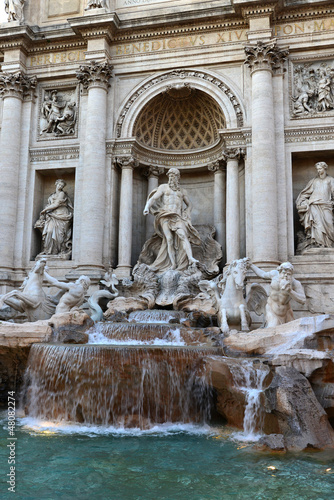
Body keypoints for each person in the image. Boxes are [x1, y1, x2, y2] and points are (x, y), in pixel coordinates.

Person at [143, 168, 201, 272]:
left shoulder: (182, 191)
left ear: (178, 177)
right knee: (169, 239)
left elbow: (189, 204)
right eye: (170, 176)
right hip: (165, 215)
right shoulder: (163, 187)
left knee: (183, 235)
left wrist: (187, 211)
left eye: (173, 176)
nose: (171, 178)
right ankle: (173, 264)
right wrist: (147, 207)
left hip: (177, 217)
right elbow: (153, 199)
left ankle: (190, 258)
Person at [249, 261, 306, 327]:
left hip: (286, 312)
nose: (286, 276)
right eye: (284, 273)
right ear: (280, 271)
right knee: (272, 328)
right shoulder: (274, 274)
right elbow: (262, 274)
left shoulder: (295, 283)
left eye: (288, 274)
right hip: (271, 309)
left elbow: (303, 300)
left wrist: (290, 291)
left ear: (292, 274)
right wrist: (251, 265)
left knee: (291, 331)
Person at [296, 161, 334, 248]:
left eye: (320, 169)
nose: (318, 171)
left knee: (330, 223)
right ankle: (319, 244)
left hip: (326, 205)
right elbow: (305, 194)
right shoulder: (314, 181)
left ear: (324, 168)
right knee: (317, 225)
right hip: (314, 205)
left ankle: (329, 244)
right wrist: (301, 202)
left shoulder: (331, 180)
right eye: (317, 169)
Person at [34, 179, 73, 257]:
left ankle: (57, 251)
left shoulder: (62, 194)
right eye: (59, 184)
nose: (60, 186)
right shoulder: (52, 195)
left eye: (62, 186)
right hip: (52, 215)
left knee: (60, 235)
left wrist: (45, 210)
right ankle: (47, 251)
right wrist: (46, 211)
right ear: (56, 184)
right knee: (49, 231)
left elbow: (56, 204)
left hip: (61, 214)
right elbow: (50, 204)